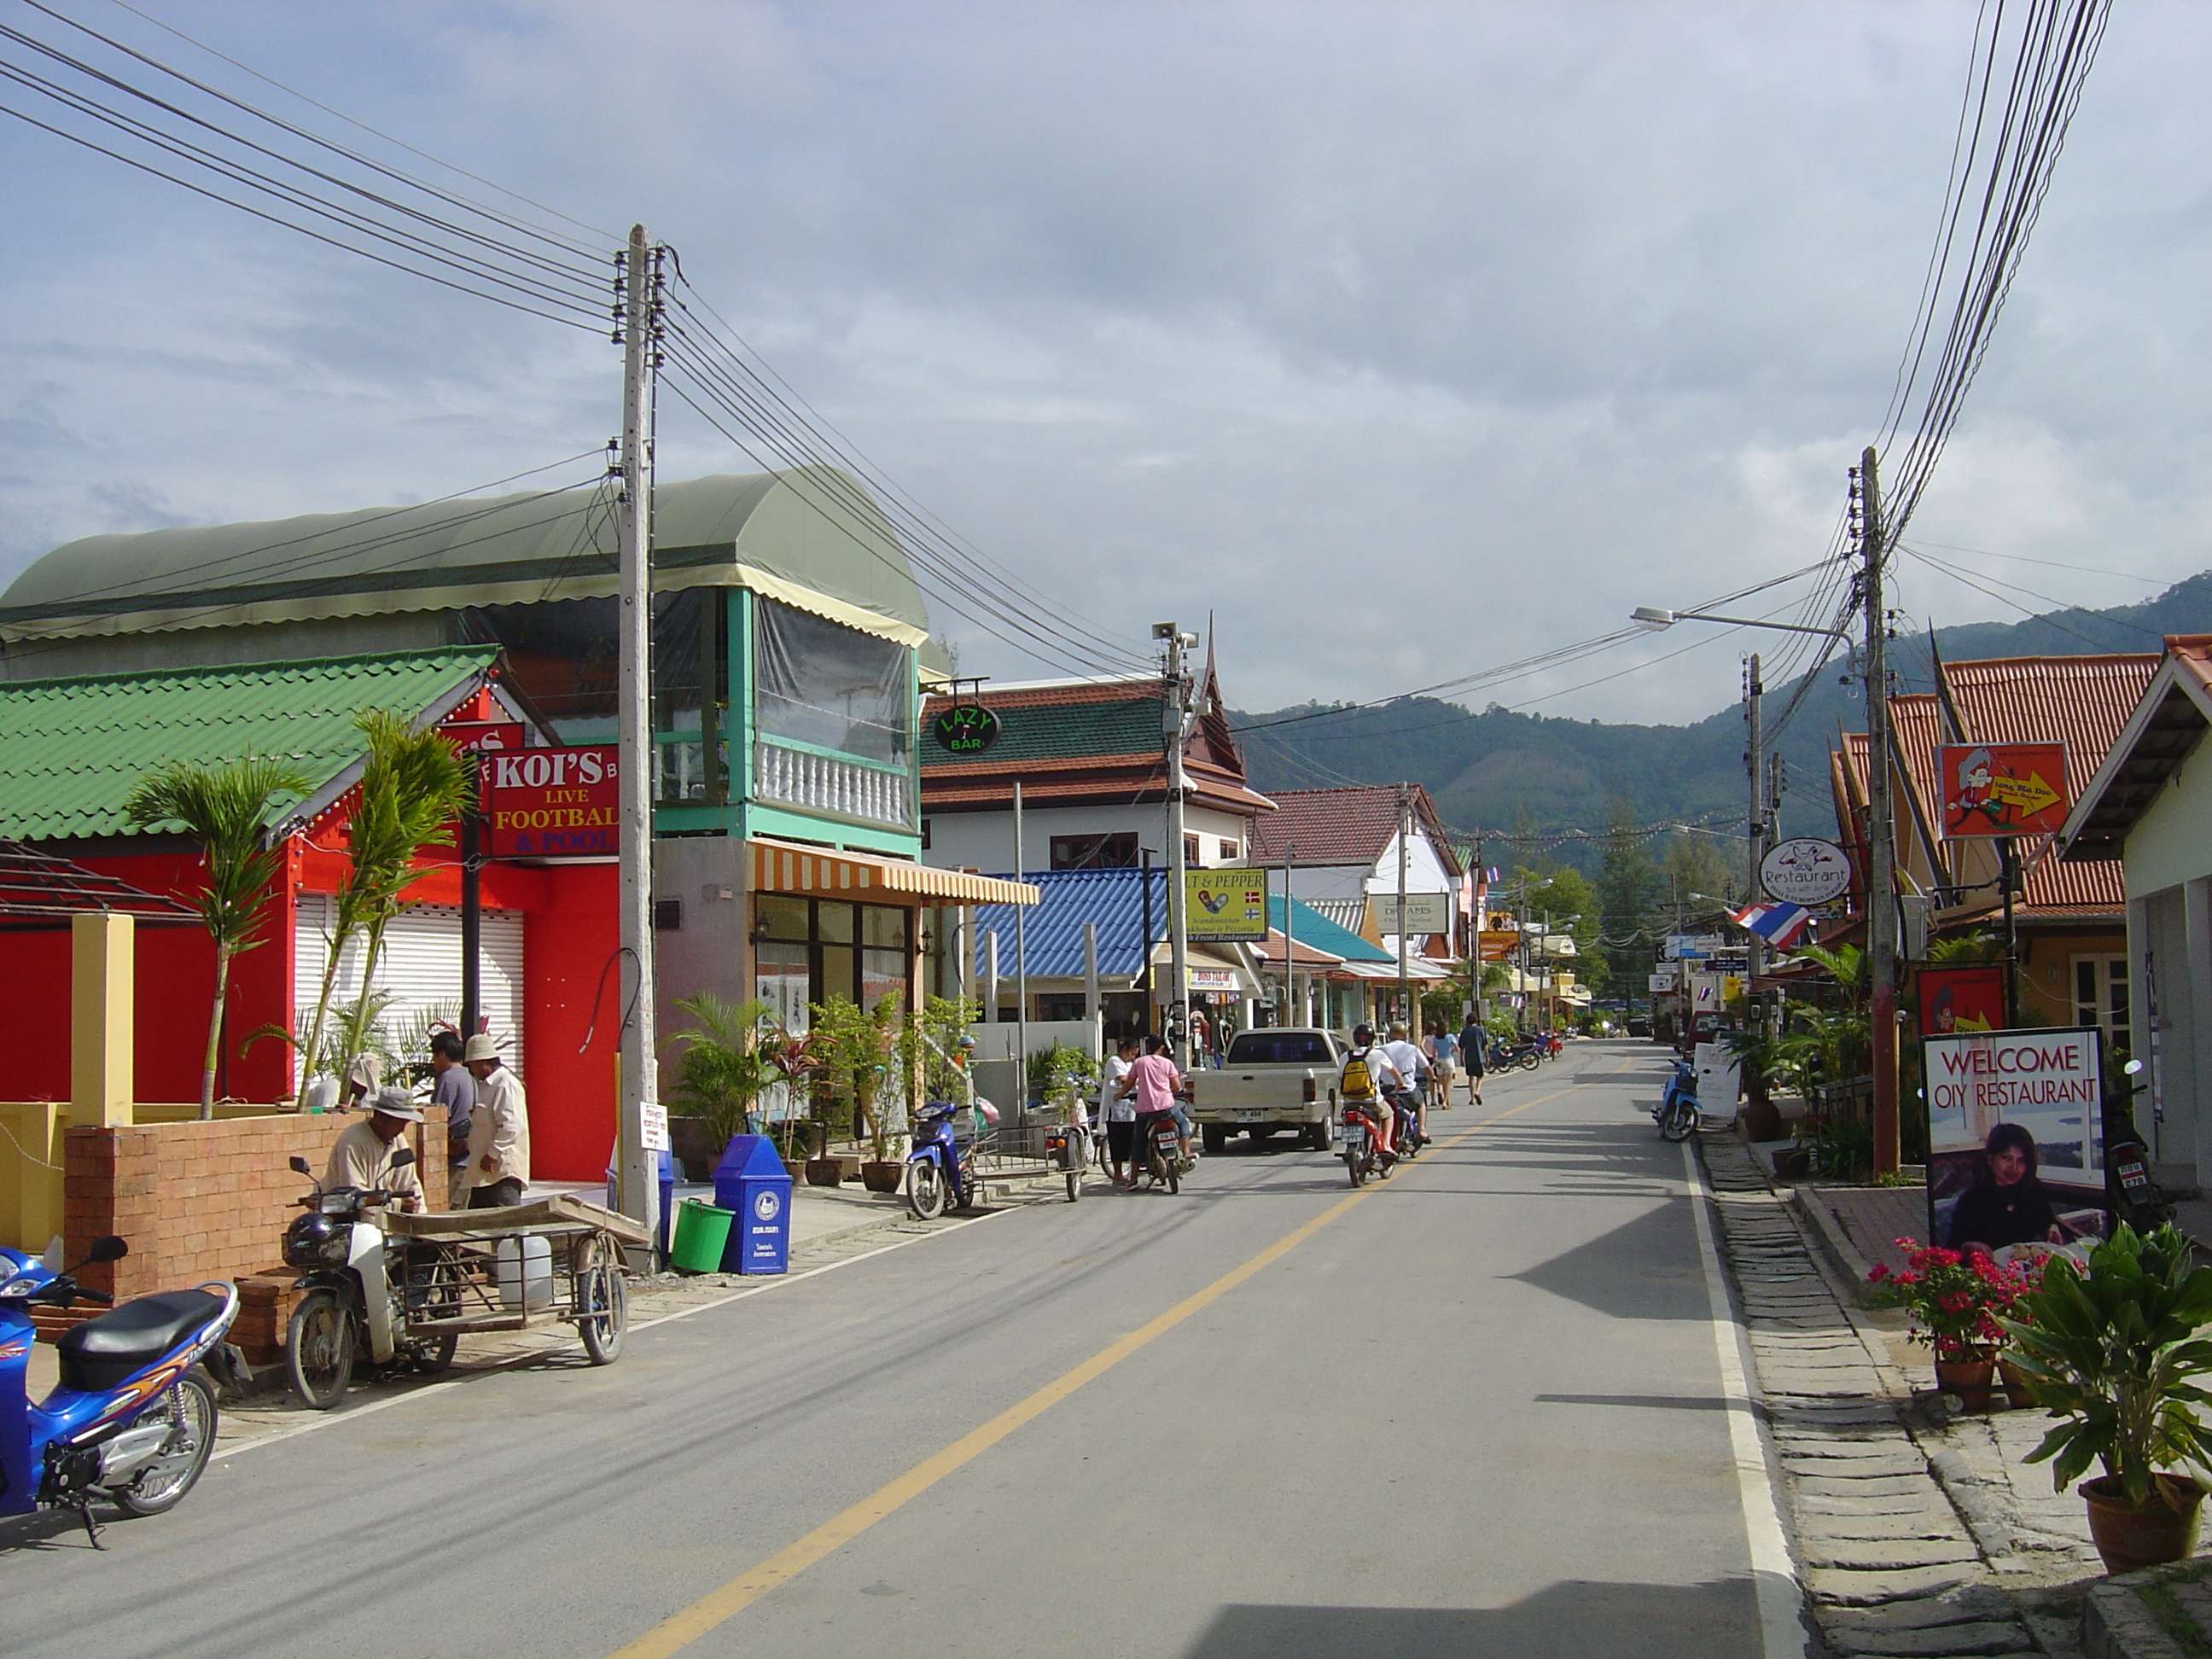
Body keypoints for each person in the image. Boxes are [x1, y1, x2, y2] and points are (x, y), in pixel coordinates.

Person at [1947, 1122, 2064, 1256]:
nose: (2014, 1167)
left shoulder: (2033, 1188)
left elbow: (2047, 1220)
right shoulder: (1972, 1199)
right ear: (1990, 1159)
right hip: (1988, 1272)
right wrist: (1968, 1247)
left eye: (2021, 1160)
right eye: (2006, 1158)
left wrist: (2052, 1228)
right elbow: (1951, 1250)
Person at [323, 1086, 424, 1211]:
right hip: (340, 1218)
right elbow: (355, 1196)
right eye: (399, 1123)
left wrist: (420, 1216)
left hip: (377, 1219)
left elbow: (410, 1185)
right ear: (381, 1117)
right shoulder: (353, 1142)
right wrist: (397, 1205)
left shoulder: (397, 1139)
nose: (402, 1130)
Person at [462, 1032, 532, 1209]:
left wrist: (492, 1155)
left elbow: (511, 1127)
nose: (472, 1071)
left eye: (472, 1065)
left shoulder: (505, 1084)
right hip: (483, 1175)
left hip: (501, 1173)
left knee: (505, 1228)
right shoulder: (487, 1086)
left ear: (483, 1062)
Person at [1119, 1033, 1188, 1179]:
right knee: (1183, 1123)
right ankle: (1187, 1152)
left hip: (1145, 1110)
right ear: (1162, 1047)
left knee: (1138, 1142)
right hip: (1166, 1108)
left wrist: (1119, 1095)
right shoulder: (1167, 1063)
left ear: (1147, 1047)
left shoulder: (1139, 1063)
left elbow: (1129, 1084)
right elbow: (1176, 1086)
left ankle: (1133, 1179)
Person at [1340, 1023, 1406, 1168]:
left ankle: (1349, 1146)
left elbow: (1340, 1078)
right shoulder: (1377, 1055)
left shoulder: (1345, 1056)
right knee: (1389, 1114)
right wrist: (1400, 1083)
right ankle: (1386, 1145)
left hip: (1349, 1102)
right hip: (1372, 1101)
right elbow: (1393, 1071)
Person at [428, 1031, 475, 1209]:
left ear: (442, 1054)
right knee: (459, 1209)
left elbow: (438, 1117)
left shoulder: (448, 1079)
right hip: (467, 1156)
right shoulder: (469, 1077)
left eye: (434, 1056)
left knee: (445, 1207)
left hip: (453, 1156)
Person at [1098, 1036, 1138, 1187]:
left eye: (1135, 1055)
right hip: (1115, 1109)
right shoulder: (1114, 1062)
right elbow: (1123, 1079)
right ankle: (1117, 1174)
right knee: (1117, 1141)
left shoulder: (1130, 1064)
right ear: (1124, 1050)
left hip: (1130, 1108)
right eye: (1132, 1054)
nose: (1133, 1057)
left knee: (1130, 1139)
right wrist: (1138, 1080)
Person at [1382, 1023, 1430, 1148]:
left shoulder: (1380, 1049)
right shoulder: (1412, 1049)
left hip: (1387, 1091)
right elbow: (1427, 1068)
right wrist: (1433, 1078)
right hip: (1407, 1090)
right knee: (1421, 1102)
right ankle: (1421, 1130)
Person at [1458, 1015, 1487, 1107]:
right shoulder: (1480, 1030)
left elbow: (1462, 1047)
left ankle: (1472, 1098)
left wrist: (1461, 1058)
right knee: (1480, 1076)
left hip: (1469, 1057)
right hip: (1479, 1056)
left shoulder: (1464, 1032)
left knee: (1471, 1077)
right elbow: (1485, 1044)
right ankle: (1477, 1091)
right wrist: (1487, 1056)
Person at [1430, 1026, 1458, 1113]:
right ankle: (1445, 1102)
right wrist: (1451, 1050)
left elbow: (1434, 1053)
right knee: (1448, 1083)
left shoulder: (1435, 1039)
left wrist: (1435, 1060)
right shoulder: (1450, 1037)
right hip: (1449, 1059)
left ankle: (1448, 1101)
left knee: (1442, 1082)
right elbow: (1457, 1049)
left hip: (1439, 1061)